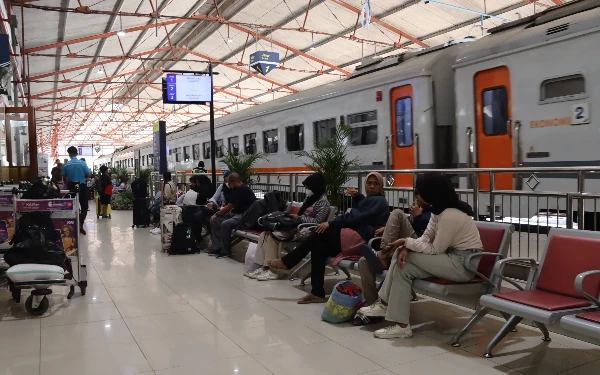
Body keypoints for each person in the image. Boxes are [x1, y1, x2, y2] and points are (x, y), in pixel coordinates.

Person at [357, 172, 483, 339]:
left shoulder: (450, 215)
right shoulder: (439, 211)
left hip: (462, 264)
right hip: (448, 258)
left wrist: (405, 242)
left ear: (433, 192)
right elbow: (426, 238)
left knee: (402, 255)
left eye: (421, 190)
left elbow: (435, 249)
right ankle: (402, 326)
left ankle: (383, 303)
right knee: (404, 267)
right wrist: (407, 247)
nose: (418, 194)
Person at [269, 172, 390, 304]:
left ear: (381, 187)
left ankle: (288, 262)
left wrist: (330, 223)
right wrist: (357, 197)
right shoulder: (372, 200)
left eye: (375, 183)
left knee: (321, 233)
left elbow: (354, 217)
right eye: (369, 183)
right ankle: (317, 292)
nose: (371, 186)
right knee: (319, 246)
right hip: (354, 236)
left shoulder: (378, 201)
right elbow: (362, 212)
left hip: (361, 239)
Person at [248, 172, 330, 281]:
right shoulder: (310, 198)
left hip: (307, 230)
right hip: (297, 227)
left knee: (274, 235)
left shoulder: (323, 202)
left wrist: (299, 219)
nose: (306, 189)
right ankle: (263, 267)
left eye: (308, 187)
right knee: (265, 233)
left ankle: (273, 270)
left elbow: (317, 221)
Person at [356, 199, 433, 315]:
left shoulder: (435, 211)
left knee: (397, 212)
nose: (418, 198)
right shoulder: (421, 210)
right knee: (364, 261)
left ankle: (383, 254)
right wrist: (386, 228)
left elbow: (430, 234)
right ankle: (372, 307)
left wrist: (418, 216)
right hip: (405, 247)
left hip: (420, 248)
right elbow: (408, 225)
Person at [209, 172, 256, 259]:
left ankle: (226, 251)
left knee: (225, 224)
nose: (228, 185)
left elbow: (229, 207)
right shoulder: (238, 189)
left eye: (229, 183)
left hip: (244, 216)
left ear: (234, 182)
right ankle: (217, 247)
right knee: (216, 221)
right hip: (236, 214)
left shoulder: (241, 189)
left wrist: (216, 214)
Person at [191, 171, 232, 247]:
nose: (227, 183)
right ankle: (197, 239)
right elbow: (214, 197)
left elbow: (231, 206)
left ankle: (216, 243)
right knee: (197, 216)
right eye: (225, 181)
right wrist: (212, 203)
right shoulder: (222, 187)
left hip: (225, 212)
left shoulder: (235, 189)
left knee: (208, 220)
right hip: (217, 209)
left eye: (228, 181)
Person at [61, 146, 92, 235]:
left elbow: (63, 176)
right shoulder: (82, 163)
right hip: (82, 186)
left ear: (69, 154)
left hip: (71, 187)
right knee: (84, 207)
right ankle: (81, 224)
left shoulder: (66, 164)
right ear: (77, 153)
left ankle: (74, 224)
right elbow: (88, 173)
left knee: (72, 206)